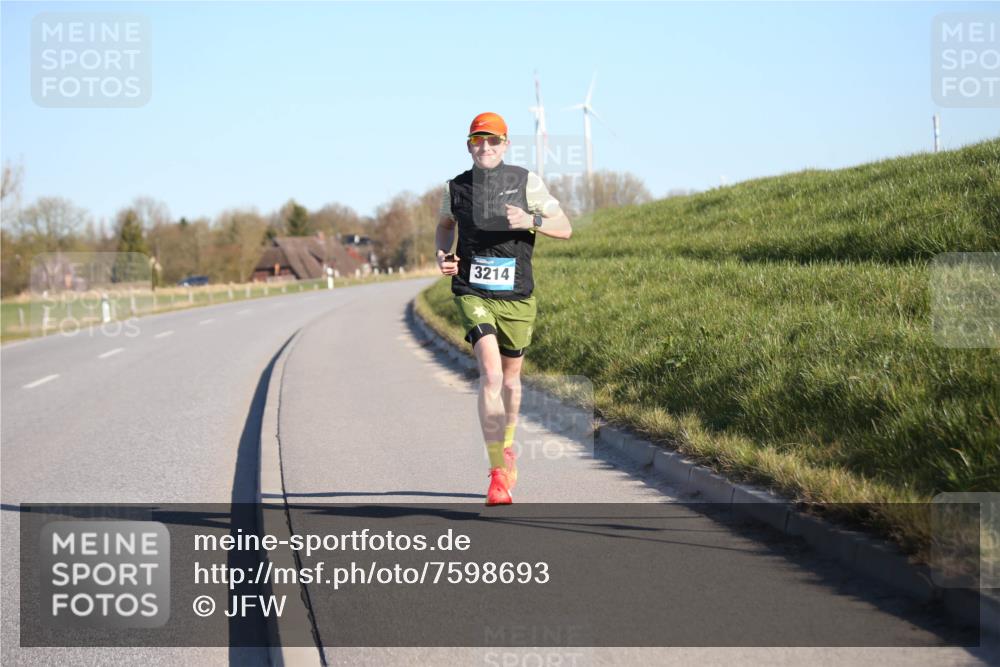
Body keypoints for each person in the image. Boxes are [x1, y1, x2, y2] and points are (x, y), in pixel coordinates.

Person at [436, 112, 572, 506]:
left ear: (506, 145)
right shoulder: (455, 188)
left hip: (517, 296)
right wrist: (442, 255)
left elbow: (564, 227)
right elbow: (445, 226)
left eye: (493, 140)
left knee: (511, 382)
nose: (485, 147)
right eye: (478, 140)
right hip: (472, 291)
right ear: (468, 145)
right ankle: (497, 471)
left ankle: (507, 446)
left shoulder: (526, 182)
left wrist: (531, 219)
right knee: (491, 375)